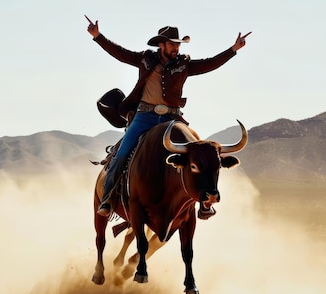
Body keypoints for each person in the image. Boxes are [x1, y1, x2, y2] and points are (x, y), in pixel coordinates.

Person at [86, 16, 250, 218]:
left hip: (172, 119)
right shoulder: (145, 59)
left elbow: (209, 64)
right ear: (161, 45)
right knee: (121, 154)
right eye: (172, 44)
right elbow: (120, 54)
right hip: (144, 116)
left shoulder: (184, 64)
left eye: (178, 45)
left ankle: (205, 204)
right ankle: (108, 199)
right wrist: (98, 36)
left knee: (201, 155)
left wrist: (233, 50)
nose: (176, 48)